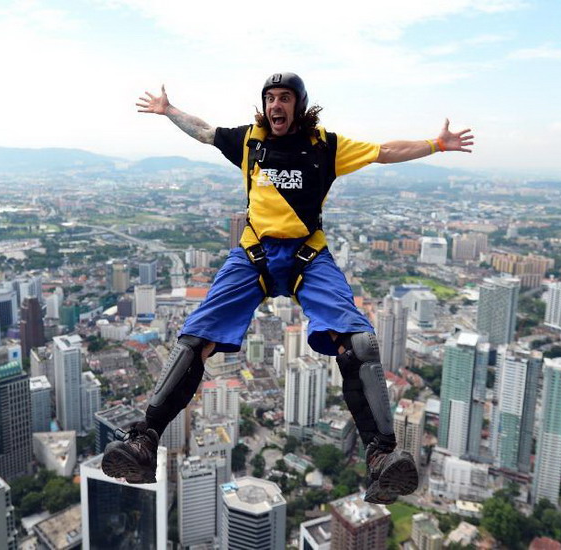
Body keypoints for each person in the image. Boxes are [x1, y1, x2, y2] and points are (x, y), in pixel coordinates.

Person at [102, 72, 473, 504]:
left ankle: (381, 457)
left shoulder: (324, 146)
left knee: (358, 342)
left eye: (284, 98)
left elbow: (383, 152)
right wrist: (169, 111)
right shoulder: (249, 142)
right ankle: (144, 441)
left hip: (306, 255)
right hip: (253, 253)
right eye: (270, 98)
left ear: (298, 105)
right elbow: (204, 132)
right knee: (194, 339)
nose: (276, 105)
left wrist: (435, 144)